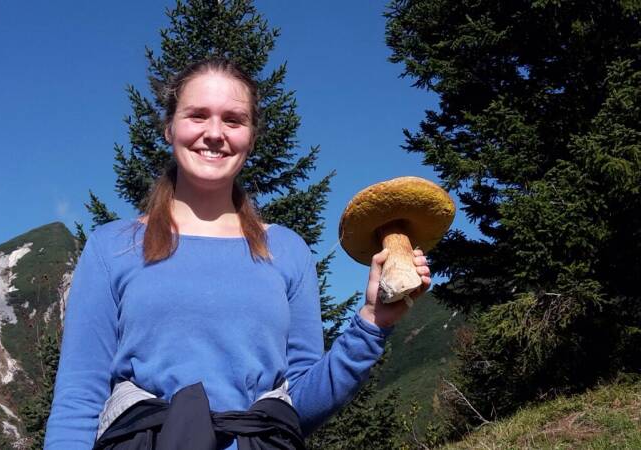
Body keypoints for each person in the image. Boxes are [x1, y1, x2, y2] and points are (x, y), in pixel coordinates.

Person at [44, 57, 431, 450]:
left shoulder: (288, 252)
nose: (215, 133)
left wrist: (373, 322)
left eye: (233, 120)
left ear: (251, 136)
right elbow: (79, 398)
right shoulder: (112, 247)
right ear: (169, 127)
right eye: (197, 115)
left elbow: (297, 406)